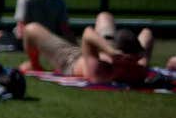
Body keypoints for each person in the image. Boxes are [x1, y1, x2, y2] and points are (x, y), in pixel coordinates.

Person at [21, 12, 154, 85]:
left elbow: (87, 33)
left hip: (71, 60)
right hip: (99, 50)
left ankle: (35, 65)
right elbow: (147, 33)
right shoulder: (140, 69)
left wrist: (110, 51)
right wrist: (141, 53)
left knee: (30, 29)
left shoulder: (102, 72)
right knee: (104, 16)